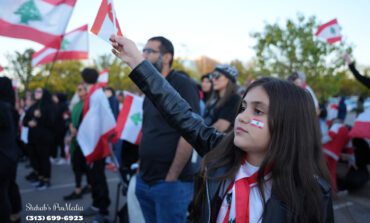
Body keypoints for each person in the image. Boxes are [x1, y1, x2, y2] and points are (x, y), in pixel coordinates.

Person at [110, 35, 334, 223]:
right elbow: (180, 113)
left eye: (258, 111)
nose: (242, 117)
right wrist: (138, 62)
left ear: (289, 123)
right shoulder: (221, 153)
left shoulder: (311, 193)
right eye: (243, 107)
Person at [131, 36, 200, 223]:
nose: (143, 55)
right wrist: (139, 169)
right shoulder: (149, 89)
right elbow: (147, 131)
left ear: (167, 57)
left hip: (171, 184)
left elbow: (190, 133)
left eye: (149, 51)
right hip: (144, 179)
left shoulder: (183, 84)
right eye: (143, 50)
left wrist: (172, 177)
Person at [78, 68, 112, 222]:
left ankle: (103, 209)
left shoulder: (97, 94)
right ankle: (96, 204)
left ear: (84, 80)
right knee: (93, 176)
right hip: (93, 140)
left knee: (98, 176)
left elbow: (106, 116)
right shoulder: (94, 93)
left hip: (97, 142)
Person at [23, 88, 55, 190]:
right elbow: (25, 121)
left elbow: (51, 123)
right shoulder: (33, 106)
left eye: (39, 91)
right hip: (33, 138)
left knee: (44, 159)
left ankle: (46, 180)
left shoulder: (49, 106)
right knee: (35, 159)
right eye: (35, 91)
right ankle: (40, 178)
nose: (36, 93)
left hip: (44, 138)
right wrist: (29, 123)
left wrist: (41, 117)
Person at [63, 84, 91, 201]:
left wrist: (76, 131)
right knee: (78, 166)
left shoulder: (88, 105)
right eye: (77, 89)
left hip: (85, 141)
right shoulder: (77, 105)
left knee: (81, 166)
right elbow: (70, 119)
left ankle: (79, 190)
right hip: (76, 140)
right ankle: (85, 187)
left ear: (86, 91)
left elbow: (87, 121)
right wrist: (70, 126)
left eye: (80, 90)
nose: (78, 92)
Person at [0, 77, 21, 223]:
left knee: (2, 193)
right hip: (10, 155)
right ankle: (15, 213)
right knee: (9, 186)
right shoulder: (10, 107)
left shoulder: (2, 108)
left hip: (3, 156)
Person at [203, 65, 241, 132]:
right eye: (212, 75)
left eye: (217, 75)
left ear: (228, 79)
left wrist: (198, 132)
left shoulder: (234, 99)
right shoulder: (214, 98)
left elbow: (221, 127)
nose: (213, 79)